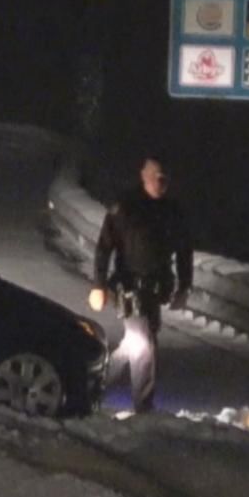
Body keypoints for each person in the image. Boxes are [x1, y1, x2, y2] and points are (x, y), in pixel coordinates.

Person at [89, 155, 194, 414]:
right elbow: (105, 246)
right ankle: (143, 407)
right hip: (128, 287)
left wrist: (184, 286)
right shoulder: (126, 207)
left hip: (155, 290)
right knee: (145, 345)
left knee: (135, 344)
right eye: (157, 177)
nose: (162, 183)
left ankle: (93, 382)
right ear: (145, 176)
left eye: (166, 179)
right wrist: (99, 284)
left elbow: (184, 251)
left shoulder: (172, 211)